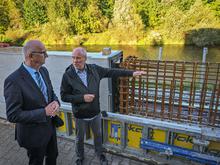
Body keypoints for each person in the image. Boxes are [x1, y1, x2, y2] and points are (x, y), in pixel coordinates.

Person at [60, 47, 145, 165]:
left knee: (98, 136)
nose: (75, 61)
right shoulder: (68, 75)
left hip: (95, 113)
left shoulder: (95, 69)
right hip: (80, 115)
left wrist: (131, 73)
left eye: (78, 58)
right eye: (73, 58)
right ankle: (79, 157)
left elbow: (112, 72)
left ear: (85, 58)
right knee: (79, 139)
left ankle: (100, 154)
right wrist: (82, 98)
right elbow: (64, 96)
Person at [4, 40, 62, 165]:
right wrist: (44, 112)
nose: (47, 55)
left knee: (53, 156)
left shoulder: (44, 71)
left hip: (50, 128)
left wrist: (56, 102)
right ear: (31, 56)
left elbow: (51, 93)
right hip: (33, 135)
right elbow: (13, 115)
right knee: (36, 161)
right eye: (43, 52)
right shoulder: (13, 81)